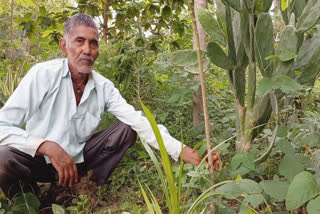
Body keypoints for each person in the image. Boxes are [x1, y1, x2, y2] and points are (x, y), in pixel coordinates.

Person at [0, 13, 219, 199]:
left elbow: (140, 122)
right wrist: (47, 146)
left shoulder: (104, 87)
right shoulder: (43, 75)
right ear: (64, 46)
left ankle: (84, 184)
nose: (87, 49)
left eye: (93, 43)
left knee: (127, 129)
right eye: (79, 41)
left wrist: (184, 152)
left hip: (79, 161)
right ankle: (30, 202)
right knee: (2, 157)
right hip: (39, 161)